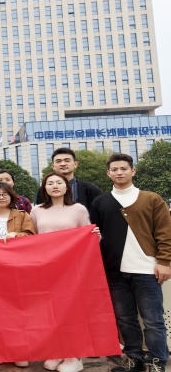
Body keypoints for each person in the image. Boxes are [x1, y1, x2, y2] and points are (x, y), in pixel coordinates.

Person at [90, 153, 171, 372]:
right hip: (115, 271)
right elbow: (95, 233)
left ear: (133, 171)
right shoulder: (100, 202)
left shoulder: (151, 199)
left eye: (124, 168)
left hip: (147, 269)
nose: (119, 173)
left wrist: (164, 261)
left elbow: (165, 232)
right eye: (114, 169)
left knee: (153, 320)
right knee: (125, 318)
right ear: (108, 173)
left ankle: (156, 361)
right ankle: (133, 358)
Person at [30, 172, 94, 372]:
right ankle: (57, 351)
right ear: (44, 188)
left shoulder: (78, 209)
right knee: (51, 311)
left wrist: (95, 235)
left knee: (72, 311)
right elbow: (31, 238)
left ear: (67, 187)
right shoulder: (37, 210)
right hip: (45, 268)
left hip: (72, 268)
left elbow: (88, 236)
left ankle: (74, 356)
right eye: (50, 183)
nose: (55, 186)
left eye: (59, 182)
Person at [35, 148, 101, 212]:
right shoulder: (44, 190)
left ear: (75, 164)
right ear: (53, 166)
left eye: (67, 161)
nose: (63, 164)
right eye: (58, 161)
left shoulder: (91, 190)